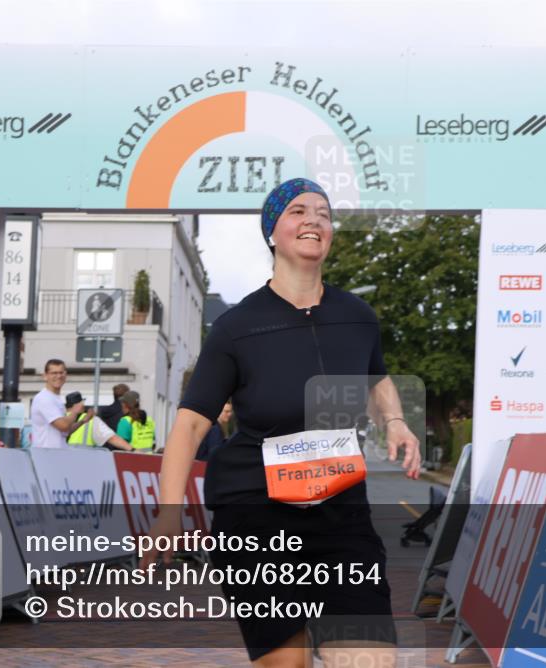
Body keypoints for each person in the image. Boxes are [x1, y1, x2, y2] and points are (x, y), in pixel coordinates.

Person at [140, 178, 421, 668]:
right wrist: (168, 513)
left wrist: (395, 420)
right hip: (256, 512)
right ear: (273, 232)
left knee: (369, 660)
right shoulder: (236, 326)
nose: (314, 219)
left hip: (340, 513)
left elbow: (377, 377)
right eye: (297, 211)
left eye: (323, 213)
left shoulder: (358, 316)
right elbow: (189, 425)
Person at [29, 359, 93, 448]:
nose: (58, 376)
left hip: (57, 455)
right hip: (46, 456)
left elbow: (65, 431)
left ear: (65, 375)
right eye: (54, 373)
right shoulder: (44, 398)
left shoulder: (56, 399)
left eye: (61, 372)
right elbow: (63, 426)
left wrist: (83, 421)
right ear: (45, 376)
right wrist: (75, 412)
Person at [67, 406, 134, 451]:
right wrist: (133, 450)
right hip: (85, 460)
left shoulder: (59, 417)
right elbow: (112, 438)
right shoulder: (92, 419)